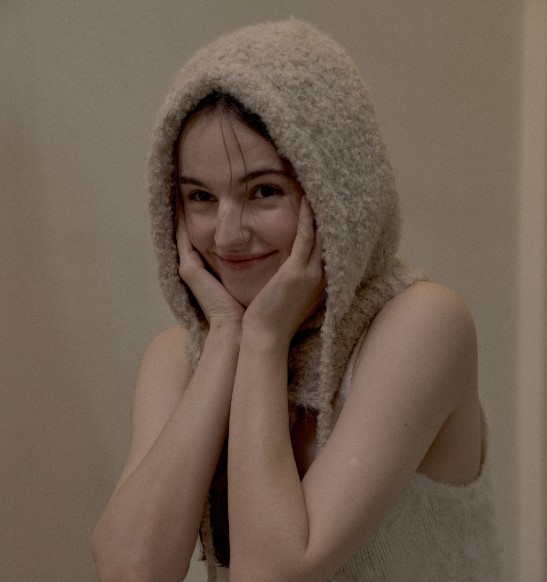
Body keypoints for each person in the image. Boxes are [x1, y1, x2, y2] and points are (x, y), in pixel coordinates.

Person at [92, 18, 499, 581]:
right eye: (200, 197)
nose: (227, 235)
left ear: (336, 194)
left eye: (264, 191)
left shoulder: (423, 325)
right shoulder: (179, 357)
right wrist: (226, 337)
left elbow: (270, 572)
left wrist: (263, 340)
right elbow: (130, 571)